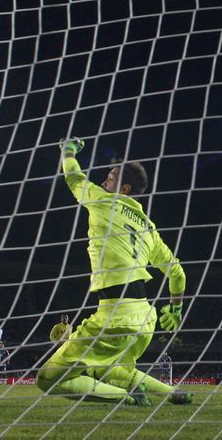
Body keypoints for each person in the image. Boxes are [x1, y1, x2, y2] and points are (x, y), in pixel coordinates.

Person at [35, 138, 191, 406]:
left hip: (115, 315)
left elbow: (73, 177)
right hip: (145, 318)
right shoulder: (148, 227)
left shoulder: (104, 201)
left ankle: (124, 397)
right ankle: (170, 393)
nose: (104, 181)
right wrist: (175, 309)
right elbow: (178, 274)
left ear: (125, 188)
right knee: (105, 368)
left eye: (110, 177)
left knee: (47, 379)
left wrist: (68, 151)